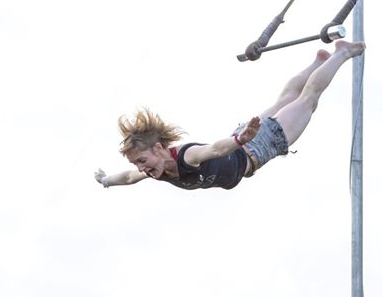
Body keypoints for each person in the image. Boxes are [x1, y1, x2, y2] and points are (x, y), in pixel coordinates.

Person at [95, 42, 365, 192]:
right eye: (138, 164)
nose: (142, 168)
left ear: (158, 148)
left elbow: (213, 149)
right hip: (245, 141)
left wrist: (239, 139)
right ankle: (318, 61)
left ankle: (341, 53)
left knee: (308, 100)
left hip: (254, 147)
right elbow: (129, 178)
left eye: (142, 160)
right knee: (284, 100)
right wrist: (107, 180)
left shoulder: (186, 157)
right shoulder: (158, 171)